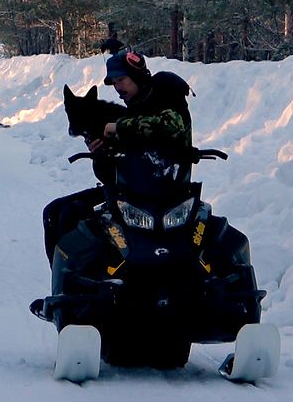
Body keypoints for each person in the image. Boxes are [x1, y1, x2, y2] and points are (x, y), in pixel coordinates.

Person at [42, 50, 193, 262]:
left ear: (137, 76)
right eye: (114, 83)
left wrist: (117, 127)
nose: (118, 87)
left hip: (166, 194)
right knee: (57, 213)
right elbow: (110, 174)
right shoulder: (131, 111)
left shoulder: (164, 94)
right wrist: (102, 154)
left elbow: (170, 126)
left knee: (71, 215)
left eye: (121, 79)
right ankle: (70, 290)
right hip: (129, 192)